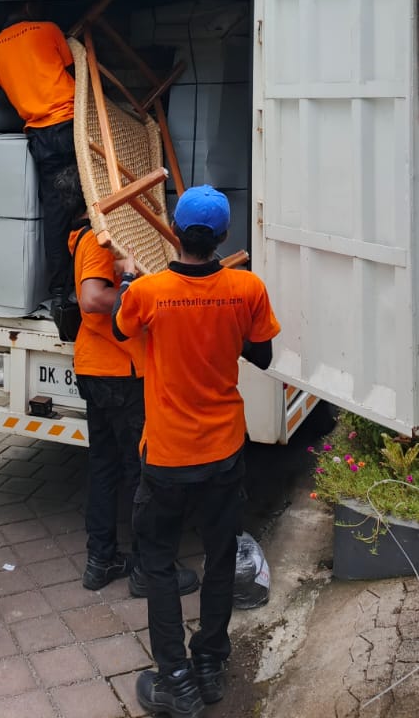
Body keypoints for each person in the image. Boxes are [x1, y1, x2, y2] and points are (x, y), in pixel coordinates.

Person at [112, 185, 281, 718]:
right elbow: (262, 354)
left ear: (176, 232)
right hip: (224, 451)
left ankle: (175, 679)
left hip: (166, 455)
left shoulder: (149, 292)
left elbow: (120, 325)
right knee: (220, 556)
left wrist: (128, 280)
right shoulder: (246, 287)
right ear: (224, 236)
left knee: (159, 563)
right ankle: (209, 663)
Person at [55, 165, 198, 601]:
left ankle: (100, 561)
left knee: (103, 466)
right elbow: (92, 298)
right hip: (120, 371)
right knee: (142, 471)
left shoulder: (82, 237)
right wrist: (141, 290)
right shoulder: (97, 239)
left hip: (97, 367)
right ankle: (147, 570)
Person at [0, 5, 76, 300]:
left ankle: (60, 291)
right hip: (72, 123)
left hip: (40, 135)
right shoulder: (48, 28)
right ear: (27, 11)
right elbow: (71, 66)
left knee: (56, 210)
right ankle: (93, 279)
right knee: (91, 199)